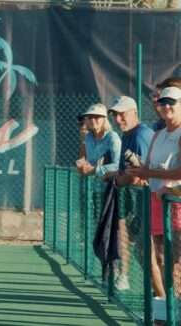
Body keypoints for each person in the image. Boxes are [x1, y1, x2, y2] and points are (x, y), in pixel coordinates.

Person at [128, 86, 181, 299]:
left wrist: (147, 171)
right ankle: (165, 309)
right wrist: (135, 170)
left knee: (176, 263)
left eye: (172, 102)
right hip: (155, 201)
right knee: (158, 257)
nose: (166, 106)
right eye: (163, 102)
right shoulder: (158, 135)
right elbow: (147, 168)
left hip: (176, 203)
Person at [105, 95, 155, 291]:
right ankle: (158, 297)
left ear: (134, 113)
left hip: (152, 202)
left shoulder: (141, 134)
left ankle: (164, 299)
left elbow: (138, 176)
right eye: (115, 115)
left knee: (154, 254)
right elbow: (126, 171)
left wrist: (115, 179)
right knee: (143, 252)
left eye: (122, 114)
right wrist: (114, 175)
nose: (118, 120)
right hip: (140, 202)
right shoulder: (127, 135)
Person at [76, 103, 121, 178]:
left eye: (97, 117)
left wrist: (95, 169)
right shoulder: (88, 138)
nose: (93, 120)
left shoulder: (112, 137)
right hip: (97, 184)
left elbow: (119, 165)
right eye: (90, 117)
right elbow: (90, 163)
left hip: (114, 185)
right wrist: (83, 166)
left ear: (104, 119)